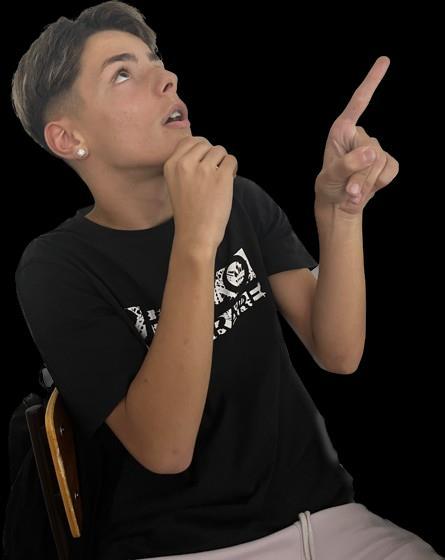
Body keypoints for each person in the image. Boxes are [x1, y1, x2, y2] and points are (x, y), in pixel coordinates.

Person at [10, 2, 443, 559]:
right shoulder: (55, 267)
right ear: (68, 138)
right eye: (122, 74)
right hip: (187, 547)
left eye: (156, 61)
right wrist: (196, 240)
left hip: (325, 517)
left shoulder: (240, 200)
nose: (167, 78)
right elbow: (166, 449)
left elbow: (338, 351)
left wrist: (340, 212)